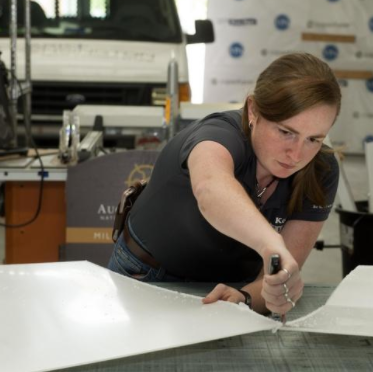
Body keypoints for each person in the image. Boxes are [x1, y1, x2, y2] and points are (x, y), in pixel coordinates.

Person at [108, 53, 341, 317]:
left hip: (229, 289)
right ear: (253, 110)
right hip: (148, 275)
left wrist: (255, 295)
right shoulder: (219, 136)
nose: (296, 154)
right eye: (286, 132)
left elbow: (274, 283)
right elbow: (211, 189)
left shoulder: (322, 170)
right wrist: (272, 245)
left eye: (314, 139)